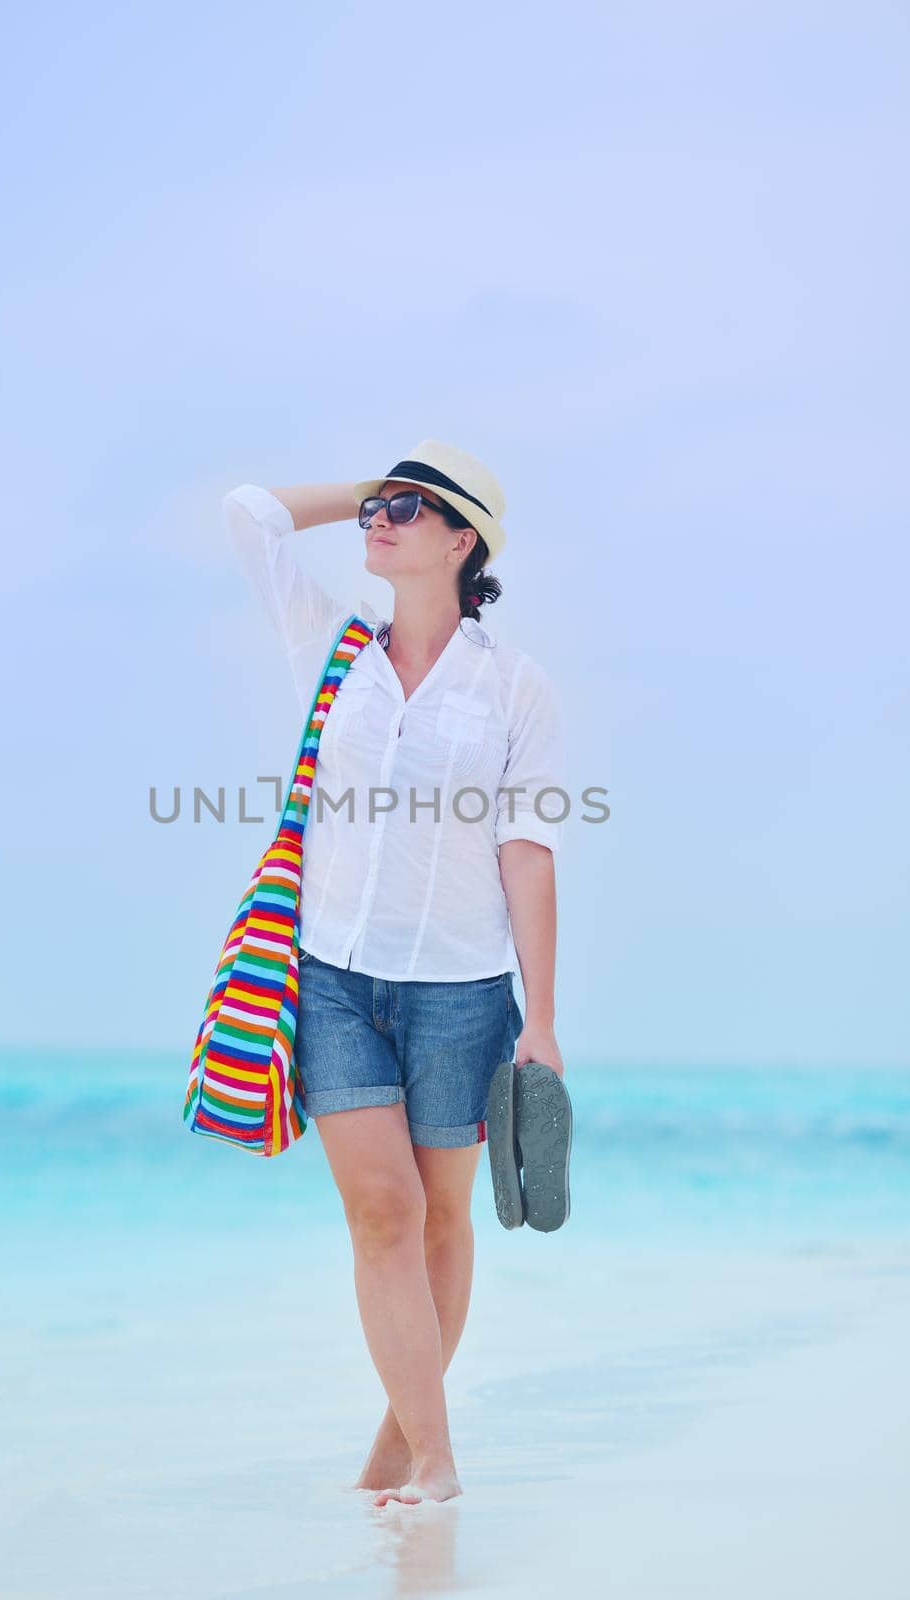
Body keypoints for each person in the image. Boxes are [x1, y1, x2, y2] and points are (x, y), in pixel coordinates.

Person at [221, 438, 567, 1508]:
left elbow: (528, 848)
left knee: (439, 1223)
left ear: (464, 542)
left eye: (411, 508)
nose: (382, 519)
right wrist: (370, 481)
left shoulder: (514, 688)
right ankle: (438, 1459)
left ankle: (394, 1445)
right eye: (383, 503)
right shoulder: (331, 648)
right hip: (330, 980)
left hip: (462, 991)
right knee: (380, 1212)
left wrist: (541, 1023)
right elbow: (249, 512)